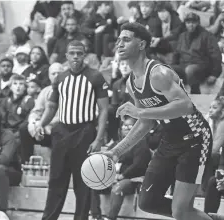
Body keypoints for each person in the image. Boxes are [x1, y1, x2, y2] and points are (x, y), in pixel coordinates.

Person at [101, 22, 220, 220]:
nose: (119, 44)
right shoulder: (131, 82)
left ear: (141, 45)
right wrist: (117, 151)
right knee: (148, 202)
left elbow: (185, 105)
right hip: (170, 140)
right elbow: (146, 122)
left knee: (181, 211)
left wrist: (140, 111)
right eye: (119, 40)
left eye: (126, 39)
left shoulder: (158, 73)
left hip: (196, 138)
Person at [35, 40, 109, 220]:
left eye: (79, 53)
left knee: (82, 183)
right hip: (61, 132)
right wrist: (40, 124)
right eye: (72, 53)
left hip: (85, 132)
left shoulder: (95, 76)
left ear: (84, 55)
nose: (76, 56)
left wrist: (98, 139)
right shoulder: (60, 78)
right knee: (56, 180)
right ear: (66, 56)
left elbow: (104, 110)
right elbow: (51, 107)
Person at [105, 116, 152, 220]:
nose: (126, 128)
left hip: (132, 179)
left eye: (130, 126)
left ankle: (110, 218)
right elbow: (105, 160)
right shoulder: (116, 143)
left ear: (136, 128)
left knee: (118, 188)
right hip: (114, 176)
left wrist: (122, 175)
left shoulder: (141, 143)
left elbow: (138, 165)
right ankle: (95, 215)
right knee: (94, 183)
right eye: (124, 126)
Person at [19, 63, 63, 164]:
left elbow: (65, 115)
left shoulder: (69, 91)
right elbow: (36, 111)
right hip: (44, 129)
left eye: (59, 73)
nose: (56, 76)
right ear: (49, 76)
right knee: (24, 128)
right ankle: (26, 164)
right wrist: (34, 123)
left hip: (59, 128)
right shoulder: (45, 91)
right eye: (53, 73)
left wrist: (45, 124)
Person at [172, 12, 222, 94]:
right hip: (184, 65)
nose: (191, 25)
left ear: (198, 23)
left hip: (202, 67)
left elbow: (216, 55)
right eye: (188, 23)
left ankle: (195, 93)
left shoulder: (206, 35)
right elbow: (176, 54)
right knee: (168, 69)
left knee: (190, 70)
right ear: (185, 24)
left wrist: (214, 74)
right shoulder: (182, 36)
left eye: (193, 22)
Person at [0, 109, 22, 213]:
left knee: (0, 168)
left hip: (11, 172)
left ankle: (2, 210)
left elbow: (5, 159)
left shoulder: (7, 135)